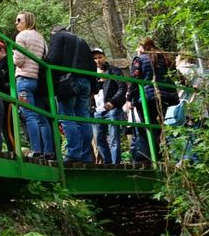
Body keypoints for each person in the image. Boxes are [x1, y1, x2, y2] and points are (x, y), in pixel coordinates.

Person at [46, 25, 96, 163]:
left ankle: (73, 153)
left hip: (68, 81)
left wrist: (52, 82)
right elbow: (92, 65)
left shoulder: (58, 37)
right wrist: (94, 88)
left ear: (54, 32)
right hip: (86, 81)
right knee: (83, 118)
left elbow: (53, 59)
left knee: (66, 116)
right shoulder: (81, 40)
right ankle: (86, 156)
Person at [128, 37, 179, 163]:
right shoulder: (166, 58)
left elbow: (134, 80)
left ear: (142, 47)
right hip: (168, 97)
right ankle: (174, 157)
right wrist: (189, 86)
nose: (137, 50)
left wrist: (128, 97)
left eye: (138, 47)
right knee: (168, 127)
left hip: (148, 98)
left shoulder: (139, 59)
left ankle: (153, 158)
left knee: (150, 127)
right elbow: (176, 75)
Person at [14, 12, 55, 160]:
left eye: (19, 20)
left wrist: (13, 55)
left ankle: (36, 150)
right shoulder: (41, 37)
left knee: (29, 115)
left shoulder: (21, 36)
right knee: (42, 117)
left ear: (27, 21)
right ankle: (48, 151)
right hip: (38, 81)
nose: (16, 23)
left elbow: (19, 61)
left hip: (24, 79)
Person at [92, 48, 126, 164]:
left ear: (104, 57)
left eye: (100, 57)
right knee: (99, 140)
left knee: (114, 139)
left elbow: (122, 87)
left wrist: (112, 102)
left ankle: (115, 164)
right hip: (97, 110)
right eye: (95, 58)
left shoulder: (114, 71)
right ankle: (107, 163)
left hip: (112, 109)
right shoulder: (92, 74)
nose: (97, 60)